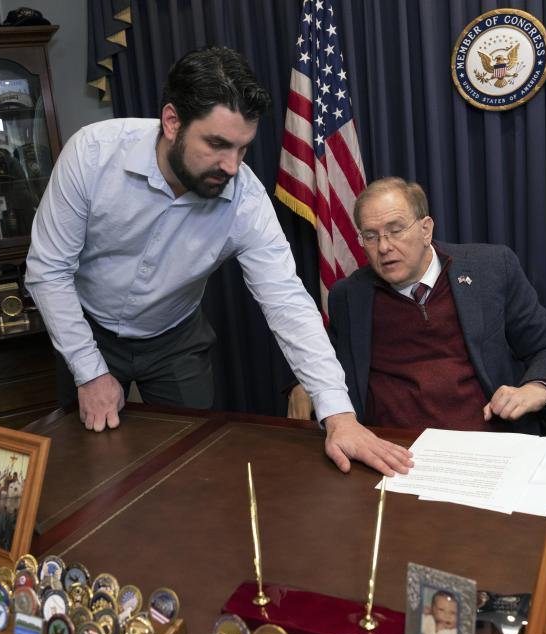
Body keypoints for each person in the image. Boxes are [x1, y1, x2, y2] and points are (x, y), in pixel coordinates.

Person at [25, 46, 412, 476]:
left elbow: (287, 302)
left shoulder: (245, 198)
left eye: (243, 148)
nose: (231, 166)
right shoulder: (92, 155)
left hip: (175, 339)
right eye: (216, 144)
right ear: (172, 122)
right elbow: (48, 270)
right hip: (85, 326)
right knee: (85, 463)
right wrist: (90, 372)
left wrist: (339, 416)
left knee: (190, 466)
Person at [289, 177, 546, 433]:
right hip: (392, 453)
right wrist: (304, 387)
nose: (384, 247)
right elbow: (323, 363)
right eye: (371, 236)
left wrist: (536, 389)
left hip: (486, 445)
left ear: (426, 229)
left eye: (395, 230)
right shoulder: (349, 296)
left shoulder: (491, 269)